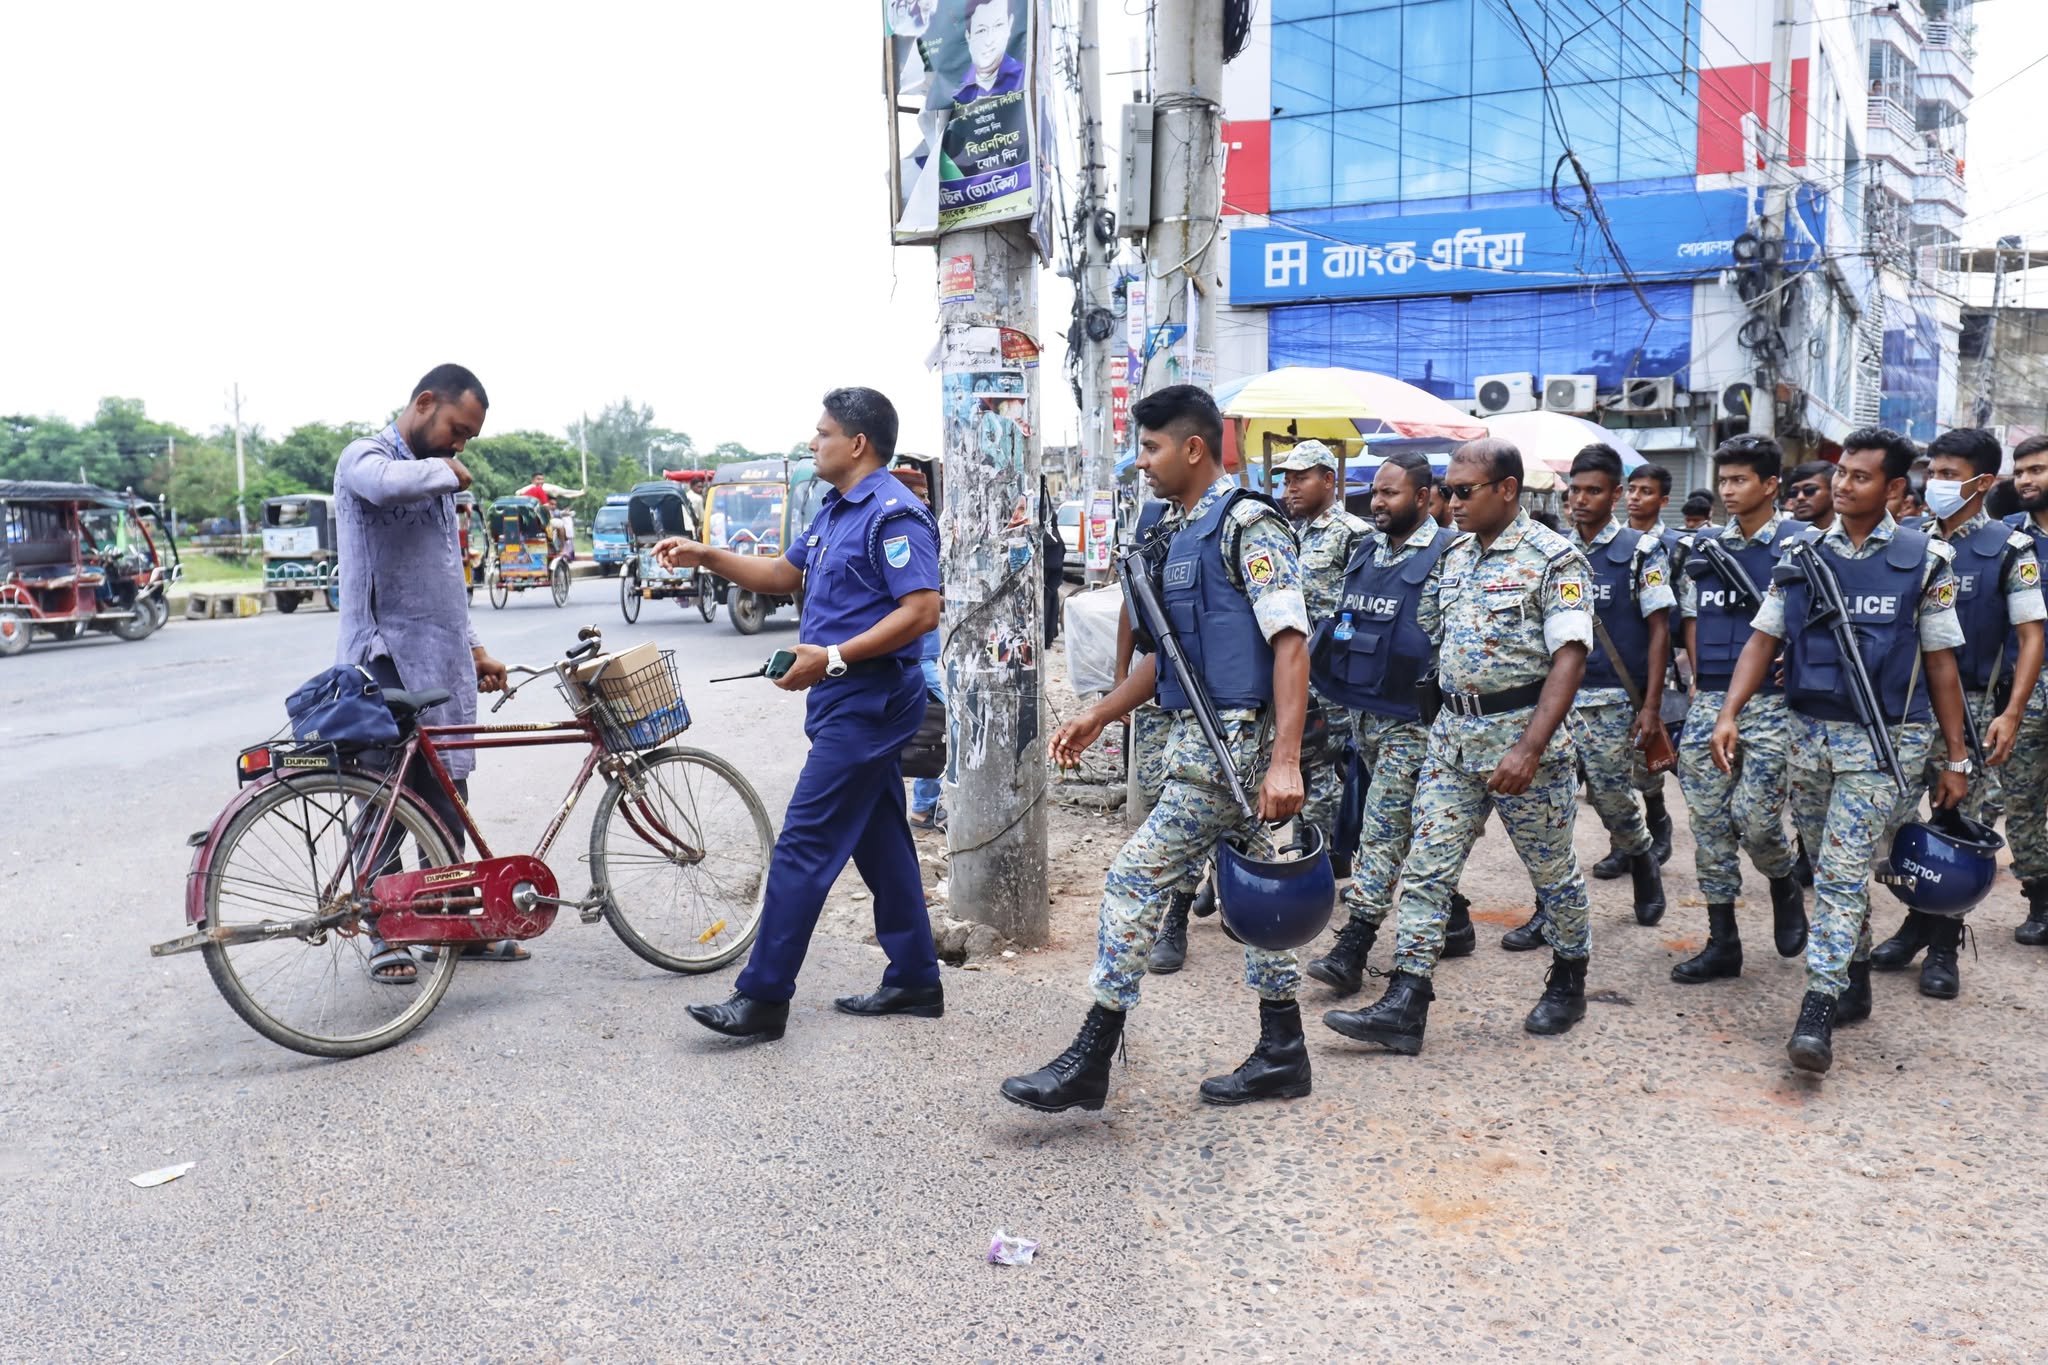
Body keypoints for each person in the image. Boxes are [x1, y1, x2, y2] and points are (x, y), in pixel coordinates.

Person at [1000, 385, 1311, 1111]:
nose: (1141, 462)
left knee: (1133, 880)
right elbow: (1169, 657)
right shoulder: (1176, 532)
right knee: (1258, 894)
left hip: (1230, 748)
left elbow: (1292, 642)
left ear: (1193, 448)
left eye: (1151, 447)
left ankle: (1092, 1056)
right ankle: (1283, 1049)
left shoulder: (1248, 526)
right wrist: (1100, 713)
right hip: (1197, 741)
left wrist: (1286, 759)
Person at [655, 388, 944, 1040]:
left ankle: (763, 996)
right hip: (843, 697)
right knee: (881, 839)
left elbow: (922, 611)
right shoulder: (835, 508)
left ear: (857, 443)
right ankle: (915, 978)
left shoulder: (894, 513)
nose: (813, 443)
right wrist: (706, 555)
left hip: (869, 699)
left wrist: (833, 657)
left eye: (823, 433)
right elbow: (785, 574)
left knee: (803, 844)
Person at [1322, 438, 1598, 1054]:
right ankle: (1406, 999)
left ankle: (1569, 978)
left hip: (1523, 745)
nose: (1452, 501)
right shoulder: (1454, 556)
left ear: (1507, 489)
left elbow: (1570, 658)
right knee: (1427, 869)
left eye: (1464, 491)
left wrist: (1529, 747)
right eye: (1448, 491)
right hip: (1451, 740)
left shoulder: (1555, 560)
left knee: (1552, 873)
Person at [1711, 427, 1972, 1074]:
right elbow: (1763, 640)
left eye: (1860, 476)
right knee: (1827, 860)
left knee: (1840, 870)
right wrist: (1729, 712)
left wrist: (1955, 758)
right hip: (1809, 737)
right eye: (1840, 473)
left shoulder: (1926, 559)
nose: (1843, 484)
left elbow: (1942, 665)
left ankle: (1817, 1008)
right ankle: (1852, 973)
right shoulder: (1800, 555)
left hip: (1885, 744)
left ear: (1893, 487)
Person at [331, 364, 515, 980]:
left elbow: (443, 583)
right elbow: (383, 485)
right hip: (382, 658)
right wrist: (448, 471)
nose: (459, 446)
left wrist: (476, 649)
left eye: (467, 438)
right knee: (385, 796)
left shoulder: (435, 476)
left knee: (446, 797)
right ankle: (385, 931)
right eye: (456, 429)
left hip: (441, 660)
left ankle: (449, 921)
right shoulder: (366, 457)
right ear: (424, 402)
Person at [1868, 428, 2045, 995]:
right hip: (1905, 706)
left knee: (1956, 830)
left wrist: (2011, 713)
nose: (1935, 483)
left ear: (1983, 482)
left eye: (1949, 474)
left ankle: (1942, 945)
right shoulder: (1905, 540)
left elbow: (2031, 635)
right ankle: (1917, 921)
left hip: (1973, 709)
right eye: (1933, 472)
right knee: (1892, 823)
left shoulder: (2009, 547)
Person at [1303, 451, 1475, 995]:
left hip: (1414, 723)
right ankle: (1456, 920)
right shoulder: (1364, 551)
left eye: (1389, 493)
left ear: (1423, 497)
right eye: (1375, 492)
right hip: (1365, 717)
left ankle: (1354, 945)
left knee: (1381, 829)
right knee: (1407, 830)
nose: (1377, 502)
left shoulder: (1452, 555)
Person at [1670, 435, 1808, 986]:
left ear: (1770, 485)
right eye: (1723, 480)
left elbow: (1821, 620)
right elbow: (1692, 618)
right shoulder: (1703, 547)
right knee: (1707, 823)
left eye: (1740, 480)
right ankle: (1722, 940)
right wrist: (1697, 680)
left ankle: (1782, 880)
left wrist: (1799, 656)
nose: (1728, 490)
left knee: (1756, 820)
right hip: (1711, 699)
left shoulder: (1802, 544)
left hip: (1773, 704)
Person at [1563, 444, 1673, 927]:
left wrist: (1651, 707)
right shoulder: (1556, 551)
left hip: (1612, 699)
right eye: (1575, 490)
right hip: (1558, 698)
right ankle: (1552, 907)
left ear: (1615, 495)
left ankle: (1642, 856)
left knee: (1612, 799)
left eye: (1593, 491)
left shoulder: (1641, 550)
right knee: (1549, 809)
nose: (1580, 500)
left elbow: (1659, 629)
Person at [2003, 434, 2048, 948]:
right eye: (2020, 472)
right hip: (2023, 684)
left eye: (2037, 469)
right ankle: (2040, 898)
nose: (2026, 480)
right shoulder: (2008, 538)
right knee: (2021, 799)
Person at [953, 0, 1024, 103]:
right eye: (981, 30)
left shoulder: (1025, 78)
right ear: (968, 36)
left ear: (1009, 25)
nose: (989, 41)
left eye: (998, 25)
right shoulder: (954, 89)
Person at [1785, 461, 1837, 531]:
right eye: (1794, 493)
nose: (1800, 497)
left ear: (1833, 492)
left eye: (1810, 490)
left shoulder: (1849, 532)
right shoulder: (1781, 531)